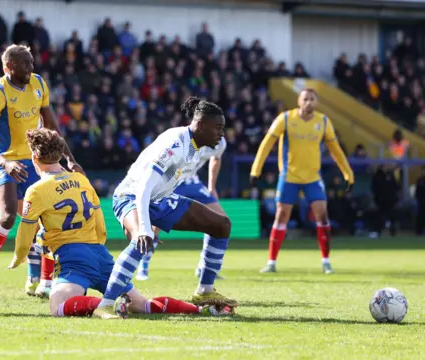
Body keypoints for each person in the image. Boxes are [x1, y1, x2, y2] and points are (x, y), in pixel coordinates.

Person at [7, 128, 232, 319]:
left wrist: (19, 257)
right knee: (142, 304)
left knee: (57, 307)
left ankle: (108, 304)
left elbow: (26, 231)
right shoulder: (81, 180)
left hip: (72, 258)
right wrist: (97, 246)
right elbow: (99, 223)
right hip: (102, 256)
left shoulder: (36, 190)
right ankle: (198, 309)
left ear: (34, 159)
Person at [93, 97, 237, 319]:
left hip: (160, 199)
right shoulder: (175, 143)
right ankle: (104, 305)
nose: (221, 134)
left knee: (221, 225)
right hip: (131, 196)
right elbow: (144, 185)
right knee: (141, 241)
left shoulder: (199, 145)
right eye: (218, 128)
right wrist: (144, 227)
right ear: (200, 125)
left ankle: (204, 291)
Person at [0, 44, 84, 299]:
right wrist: (5, 163)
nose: (31, 68)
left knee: (46, 217)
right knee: (8, 217)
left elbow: (52, 127)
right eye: (26, 64)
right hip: (8, 161)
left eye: (32, 62)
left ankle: (46, 282)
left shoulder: (38, 84)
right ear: (9, 67)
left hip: (36, 161)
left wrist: (70, 159)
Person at [250, 88, 354, 274]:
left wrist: (348, 173)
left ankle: (326, 261)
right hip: (289, 176)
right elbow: (267, 143)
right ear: (298, 101)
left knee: (322, 216)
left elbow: (335, 149)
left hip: (313, 177)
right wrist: (255, 170)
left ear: (317, 102)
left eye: (312, 99)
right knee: (281, 216)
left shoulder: (323, 121)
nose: (308, 102)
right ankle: (272, 262)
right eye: (305, 99)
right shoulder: (286, 119)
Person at [135, 136, 227, 281]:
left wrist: (212, 186)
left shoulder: (220, 142)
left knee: (220, 220)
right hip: (173, 182)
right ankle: (143, 267)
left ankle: (204, 267)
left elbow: (216, 158)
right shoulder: (185, 138)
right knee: (156, 226)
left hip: (193, 183)